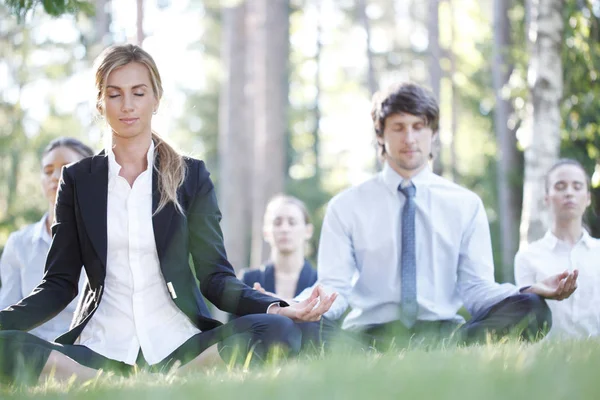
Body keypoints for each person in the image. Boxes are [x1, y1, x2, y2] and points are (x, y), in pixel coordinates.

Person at [0, 44, 335, 386]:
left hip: (179, 342)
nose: (127, 105)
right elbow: (58, 285)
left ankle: (167, 383)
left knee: (278, 329)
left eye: (138, 93)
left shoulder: (191, 176)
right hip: (100, 344)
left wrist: (276, 306)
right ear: (101, 103)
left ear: (155, 99)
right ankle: (111, 384)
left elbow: (216, 278)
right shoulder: (77, 180)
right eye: (115, 95)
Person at [311, 82, 578, 348]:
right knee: (298, 327)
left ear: (434, 133)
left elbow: (476, 289)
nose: (410, 138)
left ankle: (450, 349)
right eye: (399, 127)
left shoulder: (465, 204)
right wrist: (296, 308)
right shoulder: (345, 206)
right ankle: (370, 354)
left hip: (445, 334)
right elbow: (335, 286)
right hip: (367, 335)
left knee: (532, 308)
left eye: (419, 127)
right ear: (380, 134)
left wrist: (529, 290)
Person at [0, 138, 93, 342]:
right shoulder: (18, 244)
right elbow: (6, 306)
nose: (56, 177)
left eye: (66, 168)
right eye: (48, 170)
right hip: (29, 346)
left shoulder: (105, 238)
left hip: (88, 346)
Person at [515, 159, 598, 340]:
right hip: (547, 362)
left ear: (588, 197)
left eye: (577, 186)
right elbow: (522, 316)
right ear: (547, 198)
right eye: (560, 186)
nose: (569, 193)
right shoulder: (527, 257)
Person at [241, 194, 317, 301]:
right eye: (277, 223)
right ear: (266, 232)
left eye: (292, 222)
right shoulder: (248, 280)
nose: (285, 229)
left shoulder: (320, 282)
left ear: (308, 231)